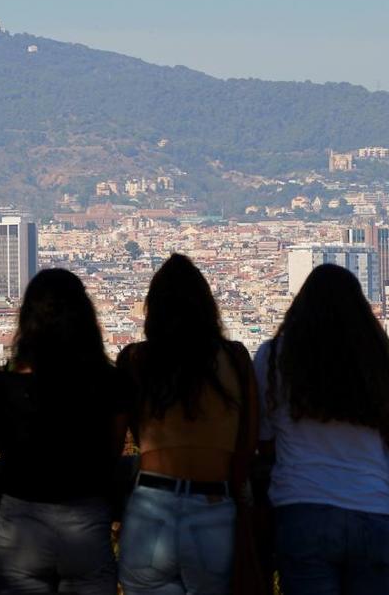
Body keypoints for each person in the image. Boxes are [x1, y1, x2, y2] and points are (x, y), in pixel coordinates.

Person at [256, 264, 389, 595]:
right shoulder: (375, 358)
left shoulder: (274, 357)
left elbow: (264, 440)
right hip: (372, 508)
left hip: (303, 508)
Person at [115, 254, 258, 595]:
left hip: (151, 507)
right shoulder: (235, 359)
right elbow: (247, 443)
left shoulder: (135, 361)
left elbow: (120, 439)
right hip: (213, 506)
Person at [0, 268, 127, 594]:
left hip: (22, 519)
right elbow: (113, 449)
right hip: (85, 518)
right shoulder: (108, 380)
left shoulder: (2, 381)